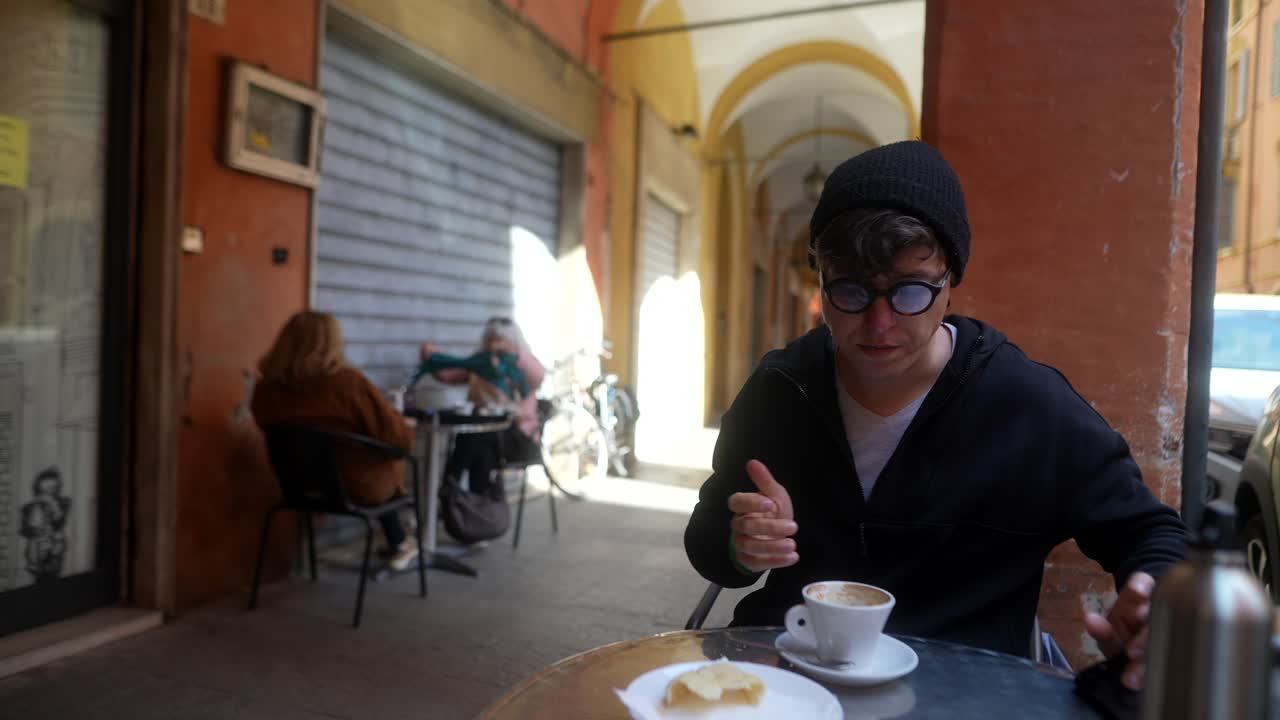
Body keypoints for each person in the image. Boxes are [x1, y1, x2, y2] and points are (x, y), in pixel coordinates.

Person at [684, 141, 1187, 689]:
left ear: (951, 283)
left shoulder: (1026, 405)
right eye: (850, 290)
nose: (879, 324)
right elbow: (709, 542)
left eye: (910, 292)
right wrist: (742, 546)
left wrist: (1154, 589)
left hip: (961, 694)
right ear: (821, 281)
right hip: (785, 686)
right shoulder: (781, 389)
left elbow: (1151, 530)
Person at [252, 311, 421, 571]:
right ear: (333, 343)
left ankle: (397, 541)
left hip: (295, 487)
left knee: (369, 456)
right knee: (393, 458)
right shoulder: (347, 383)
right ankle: (401, 541)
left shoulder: (265, 389)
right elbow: (399, 441)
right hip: (355, 488)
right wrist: (405, 427)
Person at [418, 317, 547, 499]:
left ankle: (451, 484)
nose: (495, 344)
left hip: (519, 437)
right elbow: (450, 375)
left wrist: (514, 354)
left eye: (501, 339)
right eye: (491, 338)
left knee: (476, 435)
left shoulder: (522, 363)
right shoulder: (480, 364)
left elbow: (540, 376)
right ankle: (479, 503)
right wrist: (433, 359)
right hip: (487, 438)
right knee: (480, 444)